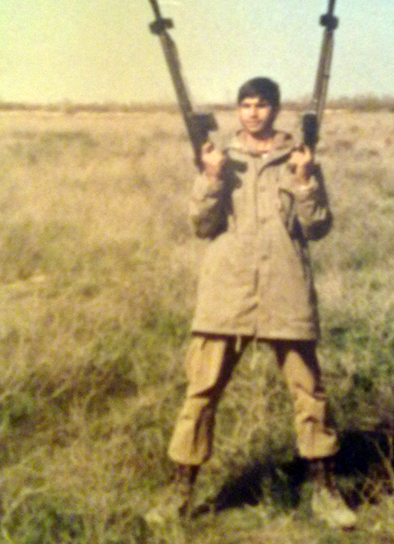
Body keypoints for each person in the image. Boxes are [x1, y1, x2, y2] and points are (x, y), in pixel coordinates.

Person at [146, 77, 356, 530]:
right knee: (201, 392)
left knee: (310, 394)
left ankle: (325, 491)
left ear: (276, 109)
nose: (253, 112)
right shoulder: (220, 158)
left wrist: (304, 179)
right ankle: (179, 492)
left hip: (285, 290)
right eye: (245, 104)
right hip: (227, 293)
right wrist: (211, 178)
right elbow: (201, 226)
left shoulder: (299, 157)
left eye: (261, 104)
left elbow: (317, 227)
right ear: (237, 110)